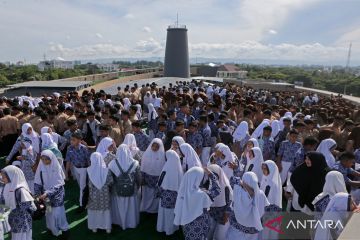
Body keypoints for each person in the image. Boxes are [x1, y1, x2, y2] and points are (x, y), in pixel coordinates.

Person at [174, 167, 220, 240]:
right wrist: (211, 175)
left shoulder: (183, 190)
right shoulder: (202, 194)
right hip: (200, 226)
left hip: (187, 226)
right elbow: (217, 190)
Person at [34, 150, 69, 237]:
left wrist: (47, 193)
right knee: (49, 212)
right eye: (42, 159)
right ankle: (52, 228)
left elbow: (59, 184)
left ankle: (64, 229)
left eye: (47, 159)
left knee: (58, 213)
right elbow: (37, 182)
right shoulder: (41, 167)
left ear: (51, 159)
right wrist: (38, 194)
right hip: (46, 197)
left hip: (57, 195)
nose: (44, 161)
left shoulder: (56, 167)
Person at [226, 172, 269, 240]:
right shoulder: (261, 194)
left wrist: (242, 183)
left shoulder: (239, 191)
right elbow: (265, 207)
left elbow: (232, 179)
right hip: (253, 228)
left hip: (237, 227)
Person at [109, 144, 141, 230]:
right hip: (131, 190)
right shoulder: (135, 163)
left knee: (119, 206)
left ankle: (119, 221)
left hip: (117, 191)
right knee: (131, 207)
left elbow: (110, 179)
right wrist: (138, 187)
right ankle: (131, 223)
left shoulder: (112, 163)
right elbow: (138, 178)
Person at [0, 165, 36, 240]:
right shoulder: (7, 186)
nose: (2, 179)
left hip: (21, 222)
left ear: (11, 176)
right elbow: (3, 200)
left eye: (4, 177)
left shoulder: (20, 190)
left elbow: (29, 207)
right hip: (13, 220)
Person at [156, 150, 184, 235]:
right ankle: (171, 229)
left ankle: (161, 227)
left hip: (164, 195)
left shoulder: (166, 167)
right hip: (175, 196)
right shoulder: (179, 169)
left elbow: (160, 182)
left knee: (163, 213)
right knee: (171, 213)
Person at [86, 152, 113, 233]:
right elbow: (110, 182)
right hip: (104, 194)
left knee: (94, 209)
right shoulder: (106, 170)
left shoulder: (89, 170)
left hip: (93, 195)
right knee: (105, 210)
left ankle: (94, 227)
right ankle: (107, 227)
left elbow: (89, 185)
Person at [65, 132, 90, 211]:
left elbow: (88, 161)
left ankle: (82, 205)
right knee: (81, 186)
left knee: (82, 187)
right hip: (76, 169)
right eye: (71, 140)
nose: (71, 141)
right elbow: (68, 161)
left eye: (73, 140)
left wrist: (90, 172)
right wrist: (66, 173)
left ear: (79, 140)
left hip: (84, 169)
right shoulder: (69, 148)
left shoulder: (84, 148)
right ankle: (86, 200)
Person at [207, 164, 233, 240]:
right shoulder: (208, 184)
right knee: (210, 231)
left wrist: (226, 215)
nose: (213, 178)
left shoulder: (225, 186)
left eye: (215, 176)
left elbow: (229, 202)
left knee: (219, 235)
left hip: (223, 214)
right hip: (212, 212)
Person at [140, 138, 165, 213]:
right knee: (147, 193)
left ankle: (154, 209)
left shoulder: (163, 156)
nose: (154, 148)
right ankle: (145, 207)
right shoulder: (146, 154)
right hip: (147, 178)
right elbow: (143, 167)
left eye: (157, 146)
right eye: (153, 146)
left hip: (157, 179)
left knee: (155, 194)